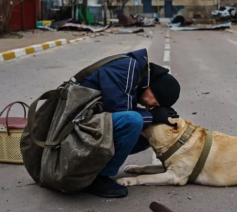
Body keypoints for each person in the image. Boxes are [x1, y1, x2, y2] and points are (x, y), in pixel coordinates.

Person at [77, 48, 181, 198]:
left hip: (86, 123)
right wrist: (152, 115)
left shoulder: (135, 75)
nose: (149, 107)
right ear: (153, 89)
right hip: (74, 127)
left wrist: (153, 118)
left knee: (147, 131)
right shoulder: (128, 67)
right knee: (134, 121)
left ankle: (94, 168)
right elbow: (120, 113)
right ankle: (98, 179)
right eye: (155, 103)